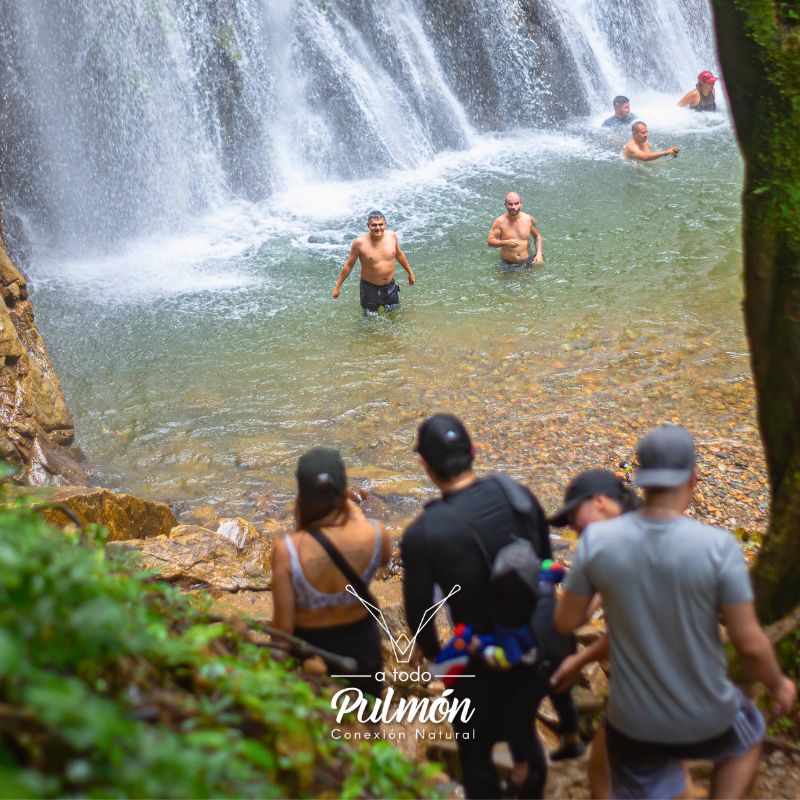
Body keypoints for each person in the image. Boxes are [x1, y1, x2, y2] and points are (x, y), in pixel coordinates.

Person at [555, 425, 796, 800]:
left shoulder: (598, 543)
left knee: (635, 761)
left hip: (634, 727)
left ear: (640, 479)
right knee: (748, 728)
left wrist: (599, 588)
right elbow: (749, 644)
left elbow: (567, 622)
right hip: (706, 718)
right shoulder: (718, 546)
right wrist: (780, 685)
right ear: (694, 477)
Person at [401, 414, 552, 798]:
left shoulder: (423, 533)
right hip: (534, 641)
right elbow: (547, 567)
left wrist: (444, 663)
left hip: (477, 657)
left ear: (425, 466)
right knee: (523, 731)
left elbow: (420, 619)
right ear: (474, 451)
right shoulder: (519, 496)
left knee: (476, 751)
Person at [548, 469, 642, 799]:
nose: (574, 527)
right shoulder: (646, 529)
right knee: (602, 766)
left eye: (575, 515)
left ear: (600, 502)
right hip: (672, 680)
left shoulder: (604, 545)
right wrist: (581, 661)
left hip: (649, 689)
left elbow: (566, 621)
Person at [271, 447, 392, 698]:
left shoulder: (289, 551)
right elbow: (385, 561)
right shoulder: (376, 534)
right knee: (367, 722)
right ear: (344, 491)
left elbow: (283, 627)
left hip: (311, 654)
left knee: (320, 727)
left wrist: (277, 669)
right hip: (362, 649)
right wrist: (351, 509)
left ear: (302, 495)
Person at [332, 210, 415, 315]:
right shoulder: (359, 243)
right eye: (374, 225)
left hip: (390, 286)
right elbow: (349, 265)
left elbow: (399, 255)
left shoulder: (392, 236)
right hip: (369, 289)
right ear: (368, 226)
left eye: (380, 224)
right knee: (369, 320)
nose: (378, 228)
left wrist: (410, 273)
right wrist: (337, 287)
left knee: (395, 314)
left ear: (385, 224)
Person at [487, 192, 543, 268]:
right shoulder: (499, 222)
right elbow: (490, 242)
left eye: (516, 203)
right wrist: (505, 242)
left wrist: (539, 253)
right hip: (507, 263)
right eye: (510, 204)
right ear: (505, 205)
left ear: (521, 204)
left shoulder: (529, 219)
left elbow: (537, 236)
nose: (513, 207)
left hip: (526, 261)